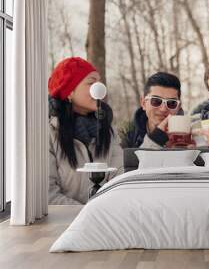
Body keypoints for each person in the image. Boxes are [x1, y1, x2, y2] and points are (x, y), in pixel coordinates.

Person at [48, 57, 123, 205]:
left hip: (105, 220)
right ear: (69, 92)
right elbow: (48, 195)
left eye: (99, 82)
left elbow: (119, 180)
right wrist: (87, 216)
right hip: (64, 224)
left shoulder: (108, 132)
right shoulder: (49, 134)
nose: (99, 88)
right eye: (91, 83)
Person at [120, 72, 182, 148]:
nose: (163, 109)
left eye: (171, 103)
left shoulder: (190, 133)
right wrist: (156, 139)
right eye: (156, 101)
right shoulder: (126, 134)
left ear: (178, 106)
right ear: (143, 103)